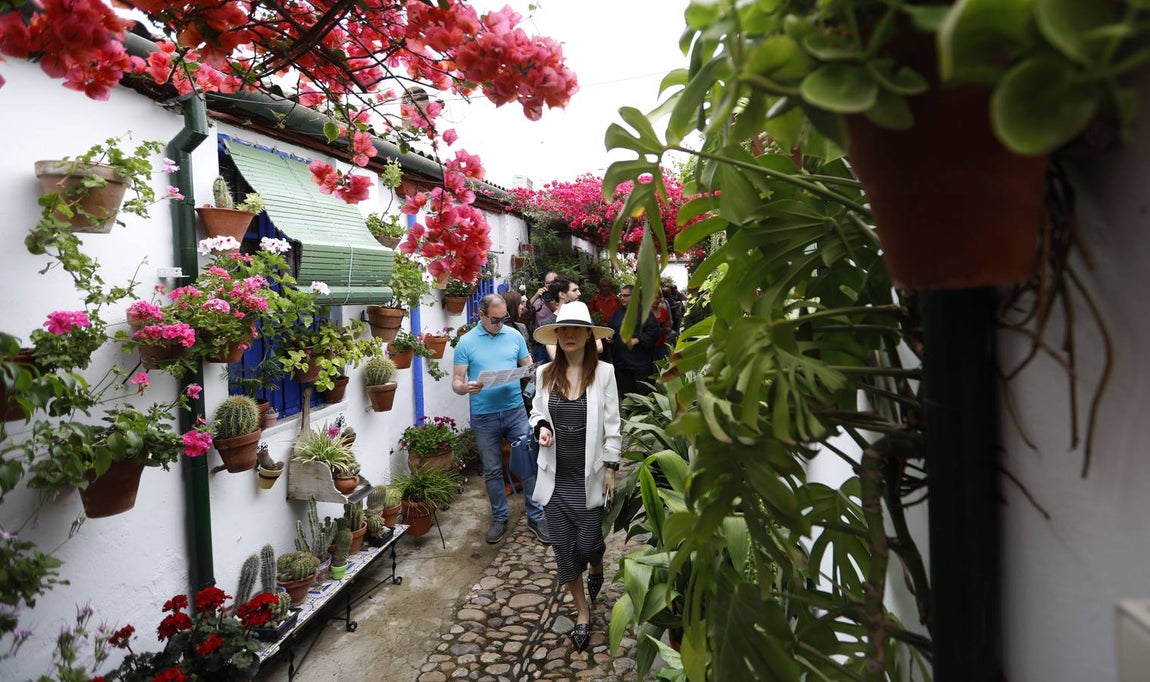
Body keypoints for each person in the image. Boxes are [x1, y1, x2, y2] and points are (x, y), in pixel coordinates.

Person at [528, 301, 621, 653]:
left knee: (590, 543)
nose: (568, 335)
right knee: (565, 553)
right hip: (555, 478)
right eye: (562, 330)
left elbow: (613, 425)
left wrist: (611, 467)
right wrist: (540, 428)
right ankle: (582, 613)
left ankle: (596, 565)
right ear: (556, 335)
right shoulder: (544, 373)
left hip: (588, 478)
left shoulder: (605, 374)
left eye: (575, 330)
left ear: (587, 335)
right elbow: (536, 411)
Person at [453, 294, 551, 545]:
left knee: (527, 463)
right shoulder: (466, 342)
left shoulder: (514, 335)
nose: (500, 323)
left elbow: (529, 366)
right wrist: (465, 388)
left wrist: (530, 373)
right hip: (484, 415)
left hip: (515, 409)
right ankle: (499, 518)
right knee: (493, 470)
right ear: (481, 316)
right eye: (495, 319)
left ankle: (536, 516)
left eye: (504, 318)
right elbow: (456, 382)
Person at [608, 285, 660, 405]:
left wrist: (638, 340)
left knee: (643, 397)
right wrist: (609, 336)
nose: (622, 298)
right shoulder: (617, 312)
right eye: (621, 295)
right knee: (626, 396)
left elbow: (653, 331)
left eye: (625, 295)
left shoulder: (644, 312)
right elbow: (610, 327)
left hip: (640, 364)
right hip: (622, 364)